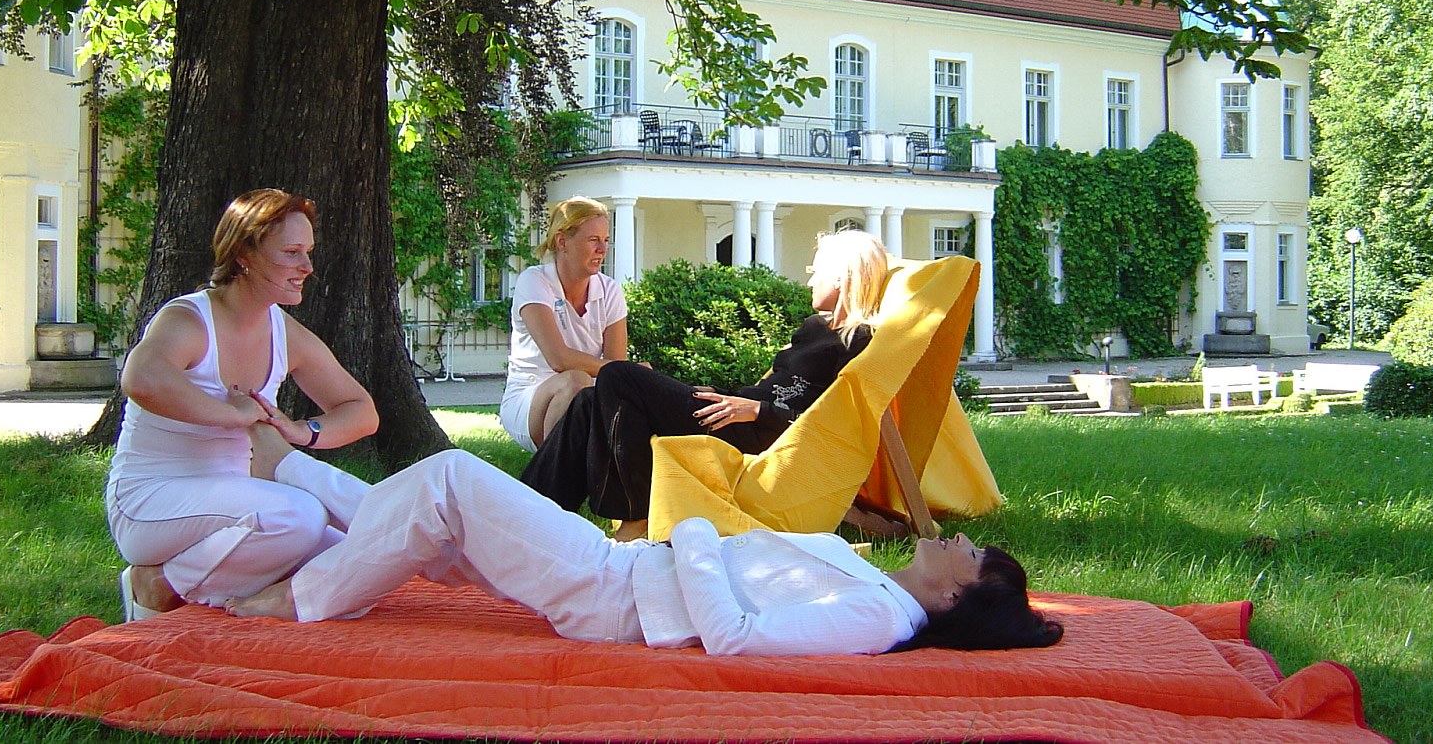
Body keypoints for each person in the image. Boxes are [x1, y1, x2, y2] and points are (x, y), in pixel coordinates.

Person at [227, 445, 1063, 656]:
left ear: (957, 596)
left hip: (613, 592)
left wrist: (688, 528)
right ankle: (291, 469)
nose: (959, 534)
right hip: (624, 567)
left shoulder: (874, 621)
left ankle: (296, 600)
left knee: (450, 478)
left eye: (973, 552)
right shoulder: (878, 587)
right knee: (433, 512)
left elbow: (734, 638)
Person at [107, 188, 379, 620]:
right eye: (291, 253)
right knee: (299, 515)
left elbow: (360, 411)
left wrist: (301, 431)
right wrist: (231, 414)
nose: (306, 267)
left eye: (307, 252)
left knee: (362, 565)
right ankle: (156, 584)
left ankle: (221, 588)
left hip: (240, 507)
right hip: (150, 503)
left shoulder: (282, 330)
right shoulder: (189, 319)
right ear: (244, 254)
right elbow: (141, 378)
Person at [520, 228, 888, 540]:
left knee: (618, 375)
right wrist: (740, 399)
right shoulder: (817, 329)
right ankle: (528, 513)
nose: (809, 279)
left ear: (841, 278)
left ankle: (634, 519)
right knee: (590, 399)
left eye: (816, 271)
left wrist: (759, 410)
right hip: (736, 411)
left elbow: (832, 421)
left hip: (757, 429)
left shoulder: (858, 340)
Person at [499, 196, 629, 452]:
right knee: (575, 381)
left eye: (605, 240)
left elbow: (616, 373)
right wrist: (627, 372)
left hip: (585, 394)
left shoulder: (610, 290)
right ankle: (549, 480)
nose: (603, 249)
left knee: (615, 392)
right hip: (529, 399)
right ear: (562, 241)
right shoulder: (534, 281)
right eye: (593, 240)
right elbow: (558, 359)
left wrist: (630, 376)